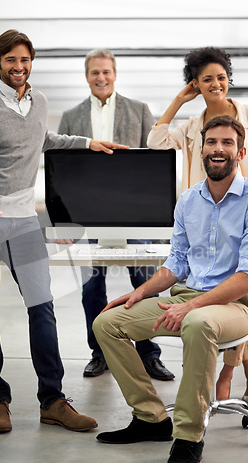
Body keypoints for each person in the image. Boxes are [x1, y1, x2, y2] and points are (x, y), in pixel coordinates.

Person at [0, 30, 126, 434]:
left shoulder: (38, 101)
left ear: (30, 62)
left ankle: (53, 400)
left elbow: (44, 139)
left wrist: (87, 143)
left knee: (42, 307)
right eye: (10, 60)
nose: (18, 67)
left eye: (24, 60)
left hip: (24, 221)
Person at [93, 116, 248, 463]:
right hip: (187, 296)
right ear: (200, 148)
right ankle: (151, 418)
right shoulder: (188, 201)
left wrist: (192, 305)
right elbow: (176, 263)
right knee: (107, 322)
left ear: (240, 152)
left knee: (197, 322)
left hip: (239, 305)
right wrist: (138, 293)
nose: (218, 149)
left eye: (226, 143)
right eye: (211, 142)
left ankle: (189, 437)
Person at [147, 47, 248, 405]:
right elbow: (155, 142)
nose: (216, 84)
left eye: (221, 77)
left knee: (241, 290)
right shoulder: (194, 127)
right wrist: (180, 99)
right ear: (196, 84)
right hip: (206, 216)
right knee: (219, 291)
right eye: (206, 79)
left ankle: (227, 372)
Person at [58, 49, 174, 381]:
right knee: (91, 287)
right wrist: (65, 219)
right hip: (88, 214)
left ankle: (149, 354)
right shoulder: (71, 116)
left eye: (106, 71)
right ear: (87, 76)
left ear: (115, 73)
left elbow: (153, 164)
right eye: (95, 72)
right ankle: (101, 353)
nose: (101, 77)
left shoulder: (138, 111)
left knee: (146, 282)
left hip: (133, 213)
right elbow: (63, 172)